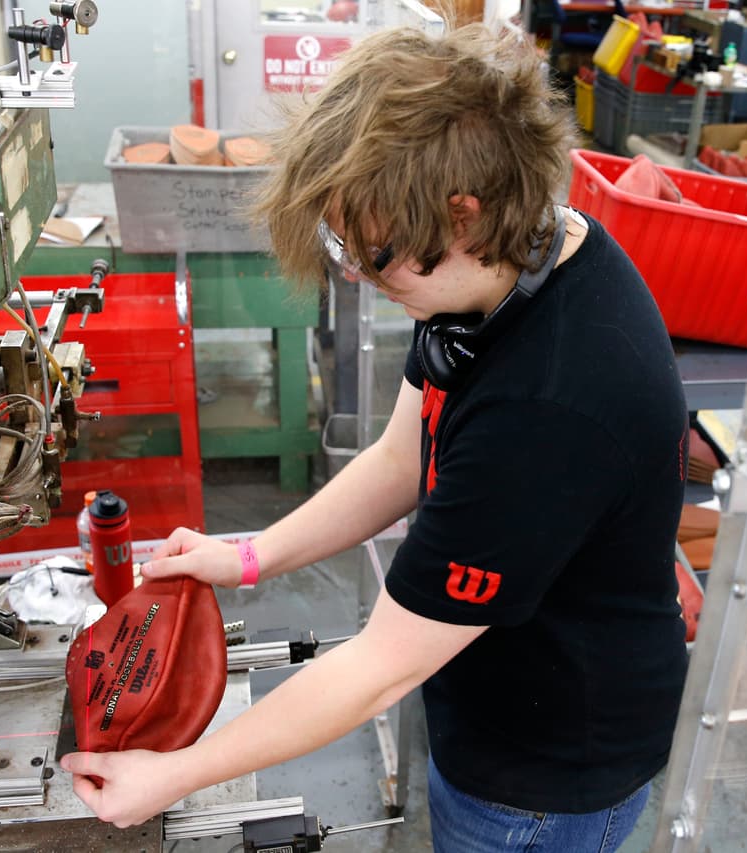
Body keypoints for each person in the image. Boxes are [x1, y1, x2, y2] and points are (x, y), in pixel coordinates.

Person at [59, 24, 690, 852]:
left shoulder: (546, 409)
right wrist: (247, 557)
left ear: (462, 213)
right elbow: (402, 455)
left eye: (376, 253)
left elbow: (378, 667)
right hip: (491, 695)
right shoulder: (516, 265)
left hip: (546, 777)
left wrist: (171, 774)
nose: (360, 272)